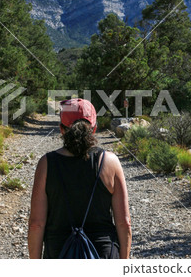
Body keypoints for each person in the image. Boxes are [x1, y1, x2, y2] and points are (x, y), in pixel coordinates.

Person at [28, 98, 131, 259]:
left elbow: (36, 224)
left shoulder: (46, 164)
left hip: (58, 252)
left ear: (62, 129)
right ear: (94, 129)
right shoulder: (110, 162)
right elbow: (124, 223)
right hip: (103, 253)